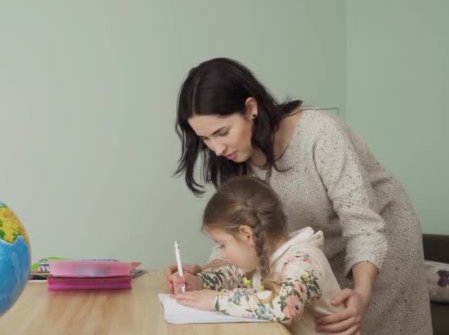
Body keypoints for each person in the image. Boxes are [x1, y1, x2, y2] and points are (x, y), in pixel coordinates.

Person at [166, 57, 432, 334]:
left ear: (250, 108)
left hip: (378, 244)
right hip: (314, 255)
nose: (216, 148)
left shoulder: (320, 135)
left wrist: (362, 294)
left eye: (222, 132)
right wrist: (204, 278)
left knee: (370, 324)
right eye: (205, 139)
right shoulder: (235, 157)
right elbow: (238, 232)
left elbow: (363, 226)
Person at [169, 176, 344, 335]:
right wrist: (199, 282)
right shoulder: (264, 258)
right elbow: (233, 275)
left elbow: (285, 307)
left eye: (223, 244)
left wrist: (216, 300)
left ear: (247, 234)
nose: (222, 252)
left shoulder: (305, 261)